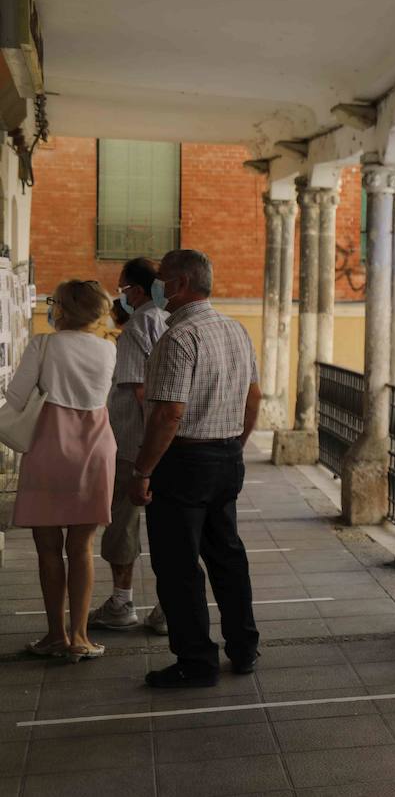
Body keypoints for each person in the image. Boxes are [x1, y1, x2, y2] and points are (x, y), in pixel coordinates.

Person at [129, 249, 262, 688]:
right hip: (226, 458)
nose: (157, 287)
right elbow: (253, 398)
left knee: (178, 565)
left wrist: (143, 470)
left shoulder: (178, 338)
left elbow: (168, 413)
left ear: (181, 284)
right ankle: (244, 648)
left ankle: (196, 662)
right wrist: (235, 444)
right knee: (227, 556)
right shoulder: (236, 330)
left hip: (184, 462)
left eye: (163, 279)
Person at [8, 280, 117, 662]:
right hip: (96, 449)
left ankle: (56, 636)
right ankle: (81, 637)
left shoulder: (44, 344)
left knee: (49, 551)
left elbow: (16, 397)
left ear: (64, 310)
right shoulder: (108, 350)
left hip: (49, 449)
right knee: (82, 548)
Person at [89, 258, 170, 634]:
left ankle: (122, 601)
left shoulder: (140, 324)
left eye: (122, 288)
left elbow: (141, 392)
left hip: (136, 446)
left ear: (136, 290)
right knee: (172, 526)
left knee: (124, 521)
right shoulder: (170, 319)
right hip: (165, 443)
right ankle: (169, 605)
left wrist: (145, 457)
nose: (120, 295)